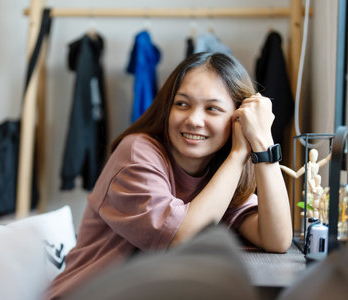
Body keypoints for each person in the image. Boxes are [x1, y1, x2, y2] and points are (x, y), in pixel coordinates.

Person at [47, 52, 292, 299]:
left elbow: (277, 239)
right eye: (182, 104)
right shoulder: (137, 153)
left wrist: (262, 140)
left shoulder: (220, 175)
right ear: (167, 107)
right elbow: (180, 240)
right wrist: (239, 154)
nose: (194, 120)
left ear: (238, 119)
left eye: (212, 109)